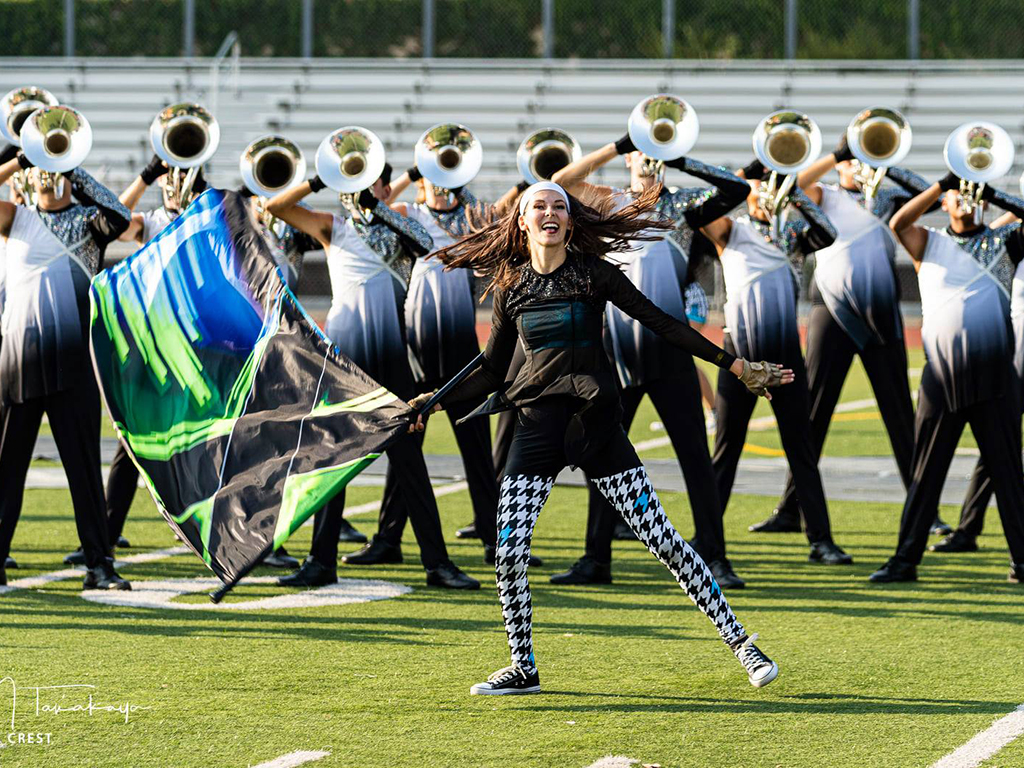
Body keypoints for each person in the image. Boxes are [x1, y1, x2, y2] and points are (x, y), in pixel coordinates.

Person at [411, 180, 788, 694]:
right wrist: (429, 401)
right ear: (523, 221)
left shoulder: (594, 276)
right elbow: (490, 369)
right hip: (537, 427)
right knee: (509, 550)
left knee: (664, 541)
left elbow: (662, 323)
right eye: (538, 206)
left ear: (569, 221)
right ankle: (524, 667)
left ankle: (743, 643)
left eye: (558, 206)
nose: (549, 212)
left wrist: (735, 363)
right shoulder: (510, 287)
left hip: (595, 425)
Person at [544, 132, 752, 589]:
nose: (649, 162)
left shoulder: (681, 207)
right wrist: (619, 146)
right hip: (615, 357)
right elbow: (559, 181)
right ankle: (595, 559)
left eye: (656, 157)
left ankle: (715, 556)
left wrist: (681, 160)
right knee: (603, 454)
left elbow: (738, 191)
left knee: (695, 457)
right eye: (641, 156)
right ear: (628, 164)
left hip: (671, 355)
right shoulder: (606, 204)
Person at [266, 162, 479, 590]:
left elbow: (423, 242)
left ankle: (437, 564)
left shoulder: (401, 232)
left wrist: (376, 208)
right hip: (342, 364)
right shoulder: (332, 227)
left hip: (389, 362)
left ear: (386, 188)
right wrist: (323, 179)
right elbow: (277, 205)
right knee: (332, 463)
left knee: (409, 464)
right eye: (359, 183)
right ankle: (321, 562)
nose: (365, 190)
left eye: (374, 184)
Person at [749, 137, 951, 537]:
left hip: (879, 312)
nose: (856, 165)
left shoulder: (889, 197)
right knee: (813, 414)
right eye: (851, 159)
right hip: (830, 311)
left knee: (899, 415)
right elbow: (793, 183)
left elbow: (933, 200)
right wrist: (836, 156)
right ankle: (791, 508)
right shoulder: (823, 195)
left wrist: (886, 164)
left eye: (864, 157)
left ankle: (925, 510)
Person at [340, 169, 532, 566]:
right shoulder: (406, 214)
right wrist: (413, 174)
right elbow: (378, 206)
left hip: (461, 354)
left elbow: (496, 219)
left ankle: (495, 539)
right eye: (430, 173)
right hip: (416, 351)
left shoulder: (471, 216)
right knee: (406, 447)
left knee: (477, 452)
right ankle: (388, 539)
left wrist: (520, 185)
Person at [869, 173, 1024, 584]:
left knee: (1008, 472)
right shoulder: (928, 243)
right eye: (961, 194)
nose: (967, 200)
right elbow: (897, 223)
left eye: (974, 195)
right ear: (946, 203)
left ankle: (1022, 562)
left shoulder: (1005, 244)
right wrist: (943, 184)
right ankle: (905, 561)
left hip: (995, 379)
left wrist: (993, 193)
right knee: (926, 473)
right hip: (940, 378)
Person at [701, 159, 853, 565]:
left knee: (801, 449)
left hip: (785, 357)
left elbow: (829, 232)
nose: (765, 191)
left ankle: (821, 540)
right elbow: (701, 213)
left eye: (769, 184)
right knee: (726, 449)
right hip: (739, 358)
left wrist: (794, 192)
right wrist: (739, 183)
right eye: (759, 185)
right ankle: (706, 540)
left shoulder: (792, 236)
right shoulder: (731, 231)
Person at [0, 150, 131, 589]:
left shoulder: (89, 226)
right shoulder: (15, 218)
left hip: (73, 365)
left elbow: (121, 214)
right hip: (17, 363)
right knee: (5, 471)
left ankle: (99, 565)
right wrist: (18, 159)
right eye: (42, 167)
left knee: (83, 472)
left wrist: (72, 167)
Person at [929, 207, 1023, 554]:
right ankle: (968, 530)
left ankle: (968, 530)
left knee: (1001, 451)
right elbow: (987, 234)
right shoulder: (1006, 241)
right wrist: (984, 199)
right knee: (1000, 450)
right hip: (1009, 356)